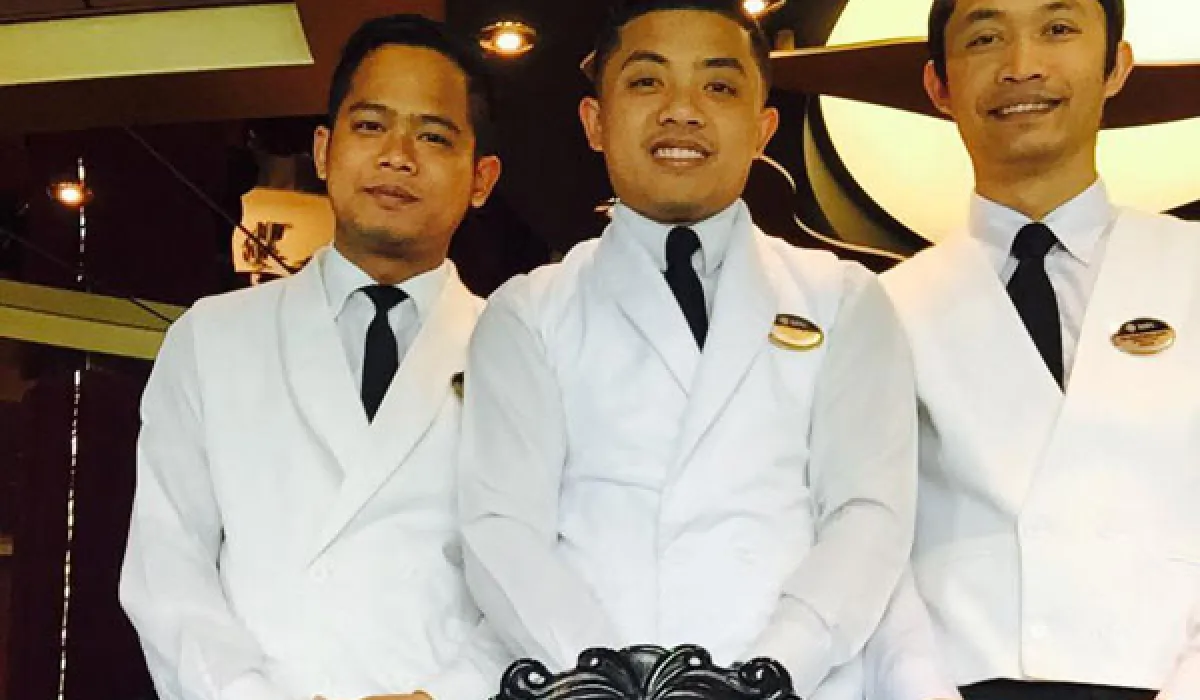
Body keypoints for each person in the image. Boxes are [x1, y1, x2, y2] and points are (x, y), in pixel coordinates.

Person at [457, 2, 917, 699]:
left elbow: (868, 515)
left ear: (763, 129)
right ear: (594, 122)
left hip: (799, 686)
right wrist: (615, 682)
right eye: (647, 81)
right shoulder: (526, 311)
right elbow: (502, 531)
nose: (682, 110)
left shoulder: (845, 298)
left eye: (719, 86)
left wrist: (767, 675)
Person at [119, 15, 508, 700]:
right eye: (371, 125)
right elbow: (167, 564)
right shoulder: (212, 338)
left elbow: (543, 572)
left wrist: (448, 695)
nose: (397, 156)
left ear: (481, 178)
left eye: (432, 135)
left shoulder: (519, 354)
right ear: (324, 150)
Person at [864, 1, 1200, 699]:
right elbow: (862, 545)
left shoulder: (1192, 267)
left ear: (1116, 66)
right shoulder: (878, 309)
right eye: (986, 37)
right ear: (939, 85)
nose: (1022, 66)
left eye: (1058, 29)